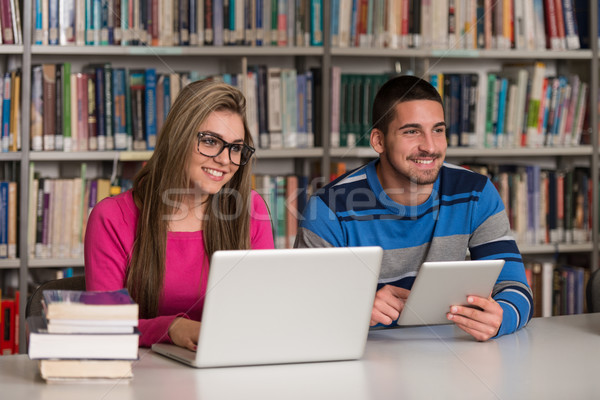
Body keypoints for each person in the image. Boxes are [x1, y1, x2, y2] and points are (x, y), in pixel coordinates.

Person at [295, 75, 532, 341]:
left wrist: (502, 317)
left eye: (438, 130)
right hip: (366, 361)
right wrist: (354, 309)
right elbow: (300, 313)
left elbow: (514, 287)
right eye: (412, 131)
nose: (429, 146)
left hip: (451, 355)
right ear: (379, 141)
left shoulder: (476, 193)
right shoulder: (329, 208)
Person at [85, 79, 274, 350]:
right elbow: (104, 325)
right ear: (178, 138)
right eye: (210, 141)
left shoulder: (251, 210)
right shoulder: (112, 218)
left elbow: (264, 313)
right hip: (141, 377)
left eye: (235, 147)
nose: (224, 159)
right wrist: (169, 328)